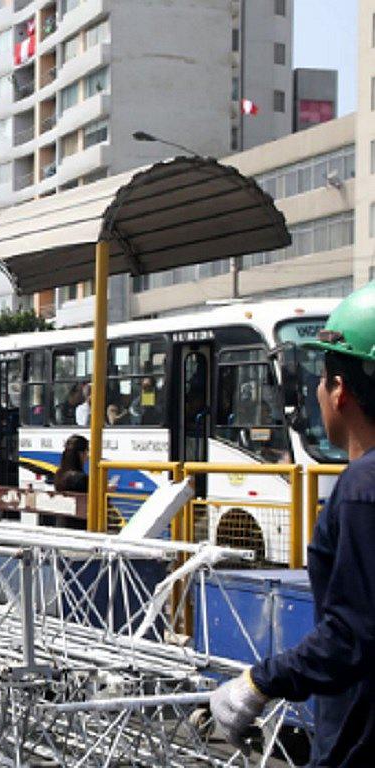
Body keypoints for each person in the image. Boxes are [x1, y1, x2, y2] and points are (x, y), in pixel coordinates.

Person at [210, 282, 375, 764]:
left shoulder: (363, 491)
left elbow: (354, 633)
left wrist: (259, 683)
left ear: (339, 392)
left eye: (320, 381)